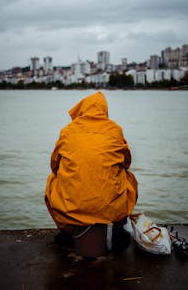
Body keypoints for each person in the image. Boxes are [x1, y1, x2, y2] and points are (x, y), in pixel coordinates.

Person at [45, 92, 138, 255]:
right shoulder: (115, 130)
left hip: (71, 205)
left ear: (82, 110)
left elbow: (54, 165)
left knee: (52, 180)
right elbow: (126, 163)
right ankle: (118, 228)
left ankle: (68, 232)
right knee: (128, 178)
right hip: (109, 206)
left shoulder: (67, 131)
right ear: (104, 111)